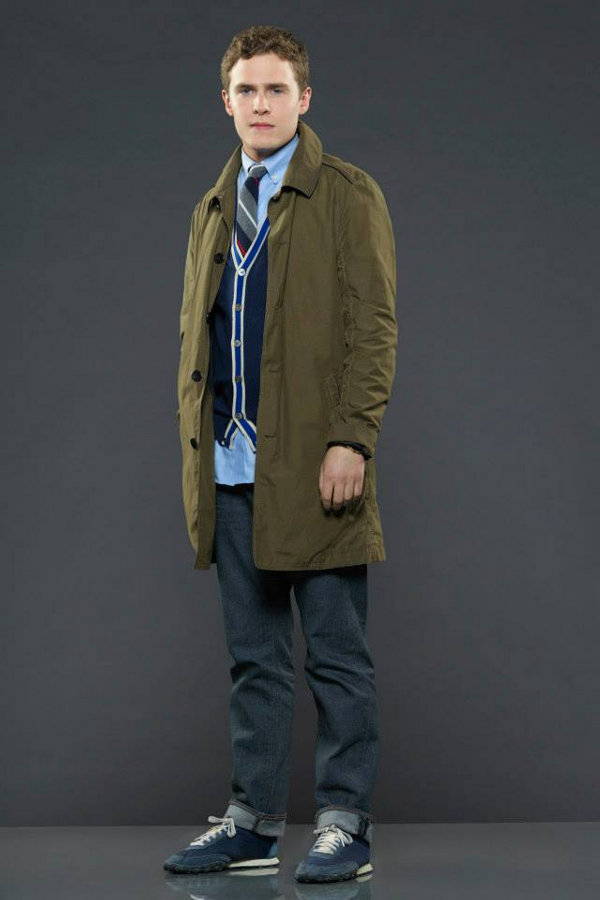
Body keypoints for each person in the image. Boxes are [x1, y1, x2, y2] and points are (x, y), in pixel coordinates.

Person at [164, 24, 397, 884]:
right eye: (247, 90)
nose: (260, 104)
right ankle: (254, 826)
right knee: (253, 662)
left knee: (336, 656)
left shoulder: (346, 193)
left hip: (316, 467)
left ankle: (344, 823)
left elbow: (374, 328)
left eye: (276, 89)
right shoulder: (213, 207)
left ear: (304, 98)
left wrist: (352, 437)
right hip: (229, 469)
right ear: (225, 101)